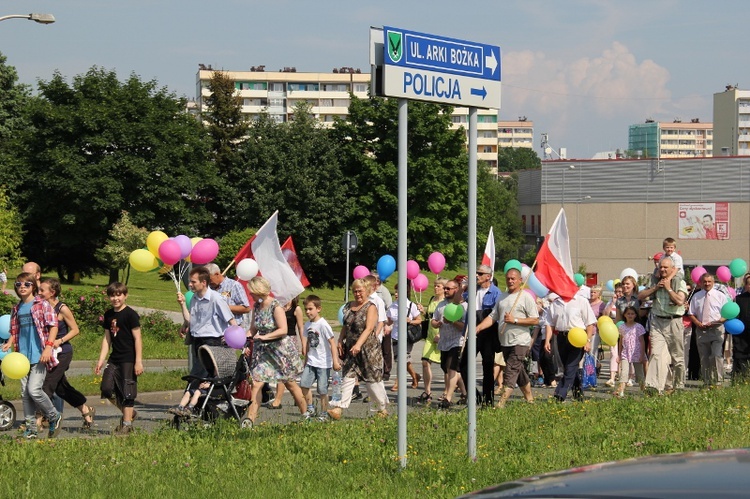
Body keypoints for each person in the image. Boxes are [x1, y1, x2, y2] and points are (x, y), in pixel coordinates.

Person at [2, 272, 61, 439]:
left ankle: (53, 415)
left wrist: (48, 347)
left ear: (33, 287)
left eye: (27, 284)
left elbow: (54, 326)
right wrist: (10, 342)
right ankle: (31, 428)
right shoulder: (16, 308)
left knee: (34, 390)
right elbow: (15, 329)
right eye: (19, 284)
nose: (22, 287)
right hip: (22, 357)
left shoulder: (42, 304)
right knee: (25, 394)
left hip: (40, 354)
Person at [244, 277, 307, 424]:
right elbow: (253, 328)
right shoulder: (257, 307)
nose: (251, 295)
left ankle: (306, 414)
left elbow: (283, 330)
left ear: (259, 291)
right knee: (257, 383)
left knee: (290, 383)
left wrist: (265, 337)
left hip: (280, 351)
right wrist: (244, 338)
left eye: (252, 292)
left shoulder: (276, 306)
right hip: (263, 352)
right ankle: (249, 420)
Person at [476, 268, 539, 408]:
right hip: (505, 341)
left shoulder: (525, 297)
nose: (510, 281)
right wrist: (479, 327)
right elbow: (493, 316)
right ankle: (530, 400)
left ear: (520, 280)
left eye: (513, 278)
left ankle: (501, 403)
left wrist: (515, 320)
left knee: (510, 371)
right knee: (519, 371)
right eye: (508, 278)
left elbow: (535, 320)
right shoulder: (502, 297)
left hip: (520, 341)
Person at [327, 278, 389, 420]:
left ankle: (382, 409)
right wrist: (340, 340)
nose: (357, 294)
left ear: (366, 291)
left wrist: (359, 345)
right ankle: (338, 408)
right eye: (355, 291)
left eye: (360, 291)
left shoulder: (370, 307)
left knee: (372, 380)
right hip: (351, 348)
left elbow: (368, 329)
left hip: (368, 349)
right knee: (347, 377)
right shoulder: (348, 306)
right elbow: (345, 325)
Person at [38, 278, 95, 429]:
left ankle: (38, 420)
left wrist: (60, 340)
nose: (39, 293)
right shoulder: (40, 307)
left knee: (47, 384)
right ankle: (86, 410)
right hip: (47, 352)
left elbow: (75, 330)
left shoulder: (61, 308)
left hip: (62, 352)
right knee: (61, 388)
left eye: (42, 290)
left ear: (52, 292)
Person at [96, 282, 143, 435]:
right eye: (112, 295)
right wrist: (101, 359)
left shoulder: (131, 315)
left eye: (118, 295)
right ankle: (130, 413)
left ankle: (127, 424)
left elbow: (137, 339)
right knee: (106, 389)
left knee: (127, 391)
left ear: (125, 295)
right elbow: (107, 339)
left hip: (129, 359)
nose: (115, 298)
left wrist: (138, 361)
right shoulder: (109, 314)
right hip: (114, 358)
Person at [638, 256, 688, 395]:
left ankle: (678, 386)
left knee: (677, 357)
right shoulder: (654, 281)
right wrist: (655, 288)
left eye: (666, 267)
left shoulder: (679, 281)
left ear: (672, 269)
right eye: (661, 267)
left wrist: (668, 289)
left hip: (674, 321)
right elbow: (641, 295)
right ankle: (654, 387)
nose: (663, 270)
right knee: (656, 354)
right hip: (657, 321)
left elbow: (679, 301)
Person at [177, 266, 237, 379]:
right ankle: (199, 395)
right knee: (201, 374)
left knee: (201, 374)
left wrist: (235, 338)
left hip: (212, 341)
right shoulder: (194, 298)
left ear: (203, 282)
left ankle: (191, 394)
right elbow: (190, 320)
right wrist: (183, 305)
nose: (190, 284)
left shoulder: (216, 298)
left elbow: (231, 320)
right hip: (197, 339)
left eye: (193, 282)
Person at [460, 264, 501, 407]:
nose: (477, 275)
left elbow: (497, 314)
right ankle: (475, 396)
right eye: (476, 272)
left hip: (488, 333)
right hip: (473, 331)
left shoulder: (495, 292)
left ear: (488, 276)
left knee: (487, 366)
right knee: (463, 364)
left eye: (480, 273)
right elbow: (461, 298)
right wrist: (464, 286)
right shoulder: (474, 290)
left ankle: (488, 401)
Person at [544, 292, 597, 402]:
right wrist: (547, 340)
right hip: (561, 338)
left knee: (570, 367)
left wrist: (588, 341)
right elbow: (550, 323)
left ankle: (560, 394)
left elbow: (590, 323)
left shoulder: (581, 301)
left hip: (578, 338)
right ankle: (578, 396)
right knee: (570, 368)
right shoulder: (555, 303)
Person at [299, 295, 340, 422]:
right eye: (306, 309)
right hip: (311, 361)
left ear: (318, 309)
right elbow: (307, 341)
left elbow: (332, 342)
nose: (308, 312)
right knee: (304, 385)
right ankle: (310, 407)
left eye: (310, 309)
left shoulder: (323, 325)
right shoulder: (307, 325)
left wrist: (335, 361)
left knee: (322, 390)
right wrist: (305, 357)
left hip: (323, 363)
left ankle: (323, 412)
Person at [432, 279, 468, 409]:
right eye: (445, 288)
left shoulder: (463, 306)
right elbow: (433, 320)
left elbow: (464, 327)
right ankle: (465, 393)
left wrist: (451, 321)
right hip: (444, 341)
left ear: (456, 290)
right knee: (446, 368)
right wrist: (436, 323)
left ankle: (448, 397)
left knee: (451, 367)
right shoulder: (441, 304)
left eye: (448, 288)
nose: (445, 290)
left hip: (457, 341)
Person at [688, 273, 728, 387]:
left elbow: (726, 314)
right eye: (704, 282)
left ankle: (718, 382)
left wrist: (718, 322)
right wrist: (698, 323)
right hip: (701, 330)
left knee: (715, 355)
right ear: (701, 283)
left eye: (709, 281)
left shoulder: (720, 296)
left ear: (713, 282)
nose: (707, 284)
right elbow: (691, 313)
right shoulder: (696, 296)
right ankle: (707, 382)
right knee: (704, 357)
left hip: (716, 329)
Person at [267, 295, 304, 409]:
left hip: (290, 342)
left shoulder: (296, 309)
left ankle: (278, 400)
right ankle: (299, 397)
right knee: (285, 373)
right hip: (278, 342)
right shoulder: (278, 307)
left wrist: (303, 344)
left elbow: (301, 327)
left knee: (283, 372)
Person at [386, 283, 422, 391]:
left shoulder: (411, 305)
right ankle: (415, 375)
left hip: (407, 336)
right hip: (396, 335)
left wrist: (411, 321)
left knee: (403, 359)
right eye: (395, 292)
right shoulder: (393, 306)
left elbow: (419, 320)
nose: (396, 294)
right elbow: (389, 321)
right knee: (400, 360)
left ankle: (398, 382)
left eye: (398, 291)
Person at [416, 278, 446, 404]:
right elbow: (430, 318)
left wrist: (440, 334)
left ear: (444, 288)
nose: (435, 288)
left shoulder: (446, 302)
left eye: (438, 286)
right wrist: (423, 312)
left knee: (446, 367)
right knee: (425, 361)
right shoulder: (432, 299)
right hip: (429, 337)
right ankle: (427, 391)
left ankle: (447, 392)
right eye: (435, 285)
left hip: (442, 337)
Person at [615, 306, 647, 397]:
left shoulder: (638, 326)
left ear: (635, 315)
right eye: (628, 313)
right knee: (624, 371)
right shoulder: (622, 327)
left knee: (639, 373)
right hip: (626, 352)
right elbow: (621, 341)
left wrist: (642, 354)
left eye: (632, 314)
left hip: (636, 352)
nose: (630, 315)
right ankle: (621, 390)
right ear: (624, 315)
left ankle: (643, 390)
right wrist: (619, 354)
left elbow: (642, 341)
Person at [603, 282, 624, 387]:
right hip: (613, 329)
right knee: (613, 352)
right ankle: (612, 377)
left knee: (624, 352)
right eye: (617, 292)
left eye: (620, 292)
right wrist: (612, 303)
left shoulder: (626, 302)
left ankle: (625, 375)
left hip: (624, 328)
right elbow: (605, 314)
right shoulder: (612, 302)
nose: (618, 294)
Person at [732, 273, 750, 382]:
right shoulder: (739, 299)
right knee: (740, 358)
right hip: (741, 335)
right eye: (749, 284)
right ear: (746, 285)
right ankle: (739, 380)